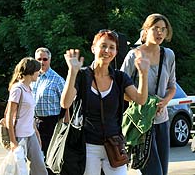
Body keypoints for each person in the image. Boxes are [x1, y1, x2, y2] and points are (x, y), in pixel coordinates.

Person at [61, 30, 150, 175]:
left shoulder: (120, 78)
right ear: (93, 48)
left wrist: (143, 74)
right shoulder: (82, 75)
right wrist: (72, 72)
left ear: (115, 52)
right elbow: (65, 103)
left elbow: (140, 99)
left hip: (114, 145)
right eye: (103, 46)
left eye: (112, 47)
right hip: (88, 146)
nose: (107, 51)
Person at [121, 13, 176, 175]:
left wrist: (165, 101)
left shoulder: (169, 55)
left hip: (162, 120)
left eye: (163, 29)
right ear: (145, 31)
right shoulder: (133, 55)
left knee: (162, 172)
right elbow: (121, 88)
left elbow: (172, 86)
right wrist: (142, 101)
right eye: (155, 28)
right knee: (154, 172)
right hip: (140, 122)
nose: (160, 33)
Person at [6, 57, 48, 175]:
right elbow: (9, 116)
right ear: (30, 71)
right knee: (19, 171)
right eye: (37, 70)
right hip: (19, 136)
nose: (39, 73)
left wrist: (36, 133)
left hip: (31, 134)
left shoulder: (29, 89)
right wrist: (13, 141)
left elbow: (29, 115)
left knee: (40, 170)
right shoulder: (17, 89)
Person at [31, 47, 66, 174]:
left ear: (49, 60)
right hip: (34, 122)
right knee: (35, 159)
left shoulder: (57, 80)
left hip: (52, 123)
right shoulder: (32, 79)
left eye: (44, 59)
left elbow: (67, 104)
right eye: (39, 59)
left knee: (50, 158)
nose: (42, 62)